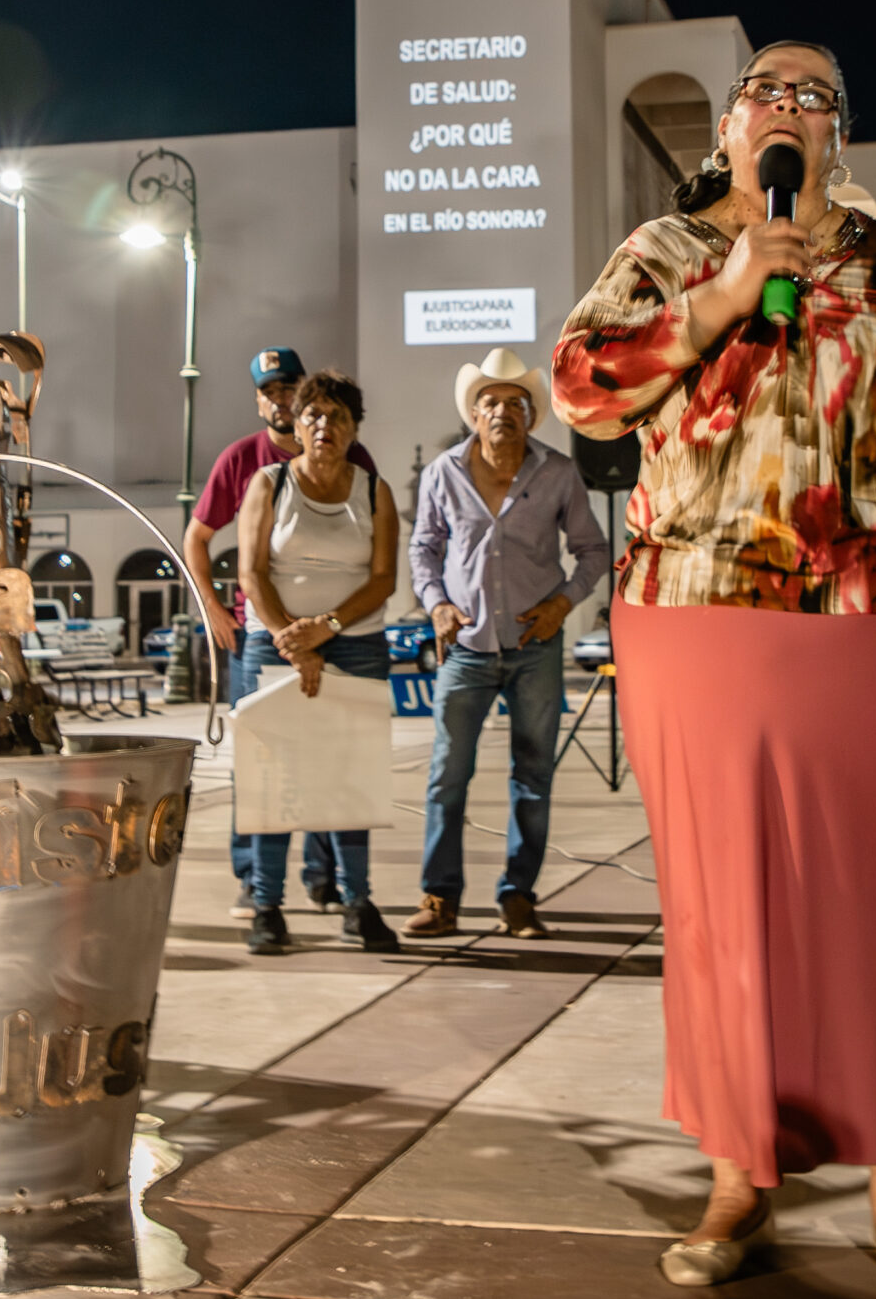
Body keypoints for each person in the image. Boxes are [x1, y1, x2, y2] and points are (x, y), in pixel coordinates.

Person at [554, 41, 876, 1297]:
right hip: (700, 608)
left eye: (815, 95)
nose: (790, 109)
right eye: (770, 89)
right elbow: (581, 388)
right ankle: (736, 1177)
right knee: (728, 909)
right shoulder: (662, 253)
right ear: (729, 124)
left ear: (839, 134)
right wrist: (716, 300)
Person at [405, 348, 609, 941]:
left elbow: (593, 551)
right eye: (489, 402)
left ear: (531, 415)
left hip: (533, 647)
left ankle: (518, 896)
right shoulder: (443, 473)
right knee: (447, 776)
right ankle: (439, 898)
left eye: (514, 403)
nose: (501, 411)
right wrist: (436, 602)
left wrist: (562, 603)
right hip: (465, 647)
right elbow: (424, 549)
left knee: (533, 776)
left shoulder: (559, 473)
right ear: (474, 415)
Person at [184, 347, 379, 921]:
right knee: (265, 759)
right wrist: (214, 610)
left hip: (339, 631)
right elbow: (198, 537)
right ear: (259, 399)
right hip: (266, 634)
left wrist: (335, 623)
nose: (280, 397)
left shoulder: (355, 456)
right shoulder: (242, 459)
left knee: (332, 760)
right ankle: (254, 880)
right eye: (269, 389)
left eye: (288, 385)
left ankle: (326, 877)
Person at [236, 368, 401, 956]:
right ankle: (267, 908)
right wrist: (291, 639)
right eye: (313, 415)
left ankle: (359, 904)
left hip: (355, 642)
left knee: (349, 778)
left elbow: (383, 579)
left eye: (338, 416)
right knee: (272, 782)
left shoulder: (374, 490)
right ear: (295, 424)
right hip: (273, 642)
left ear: (355, 428)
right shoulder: (268, 484)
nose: (324, 425)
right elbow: (251, 573)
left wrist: (325, 630)